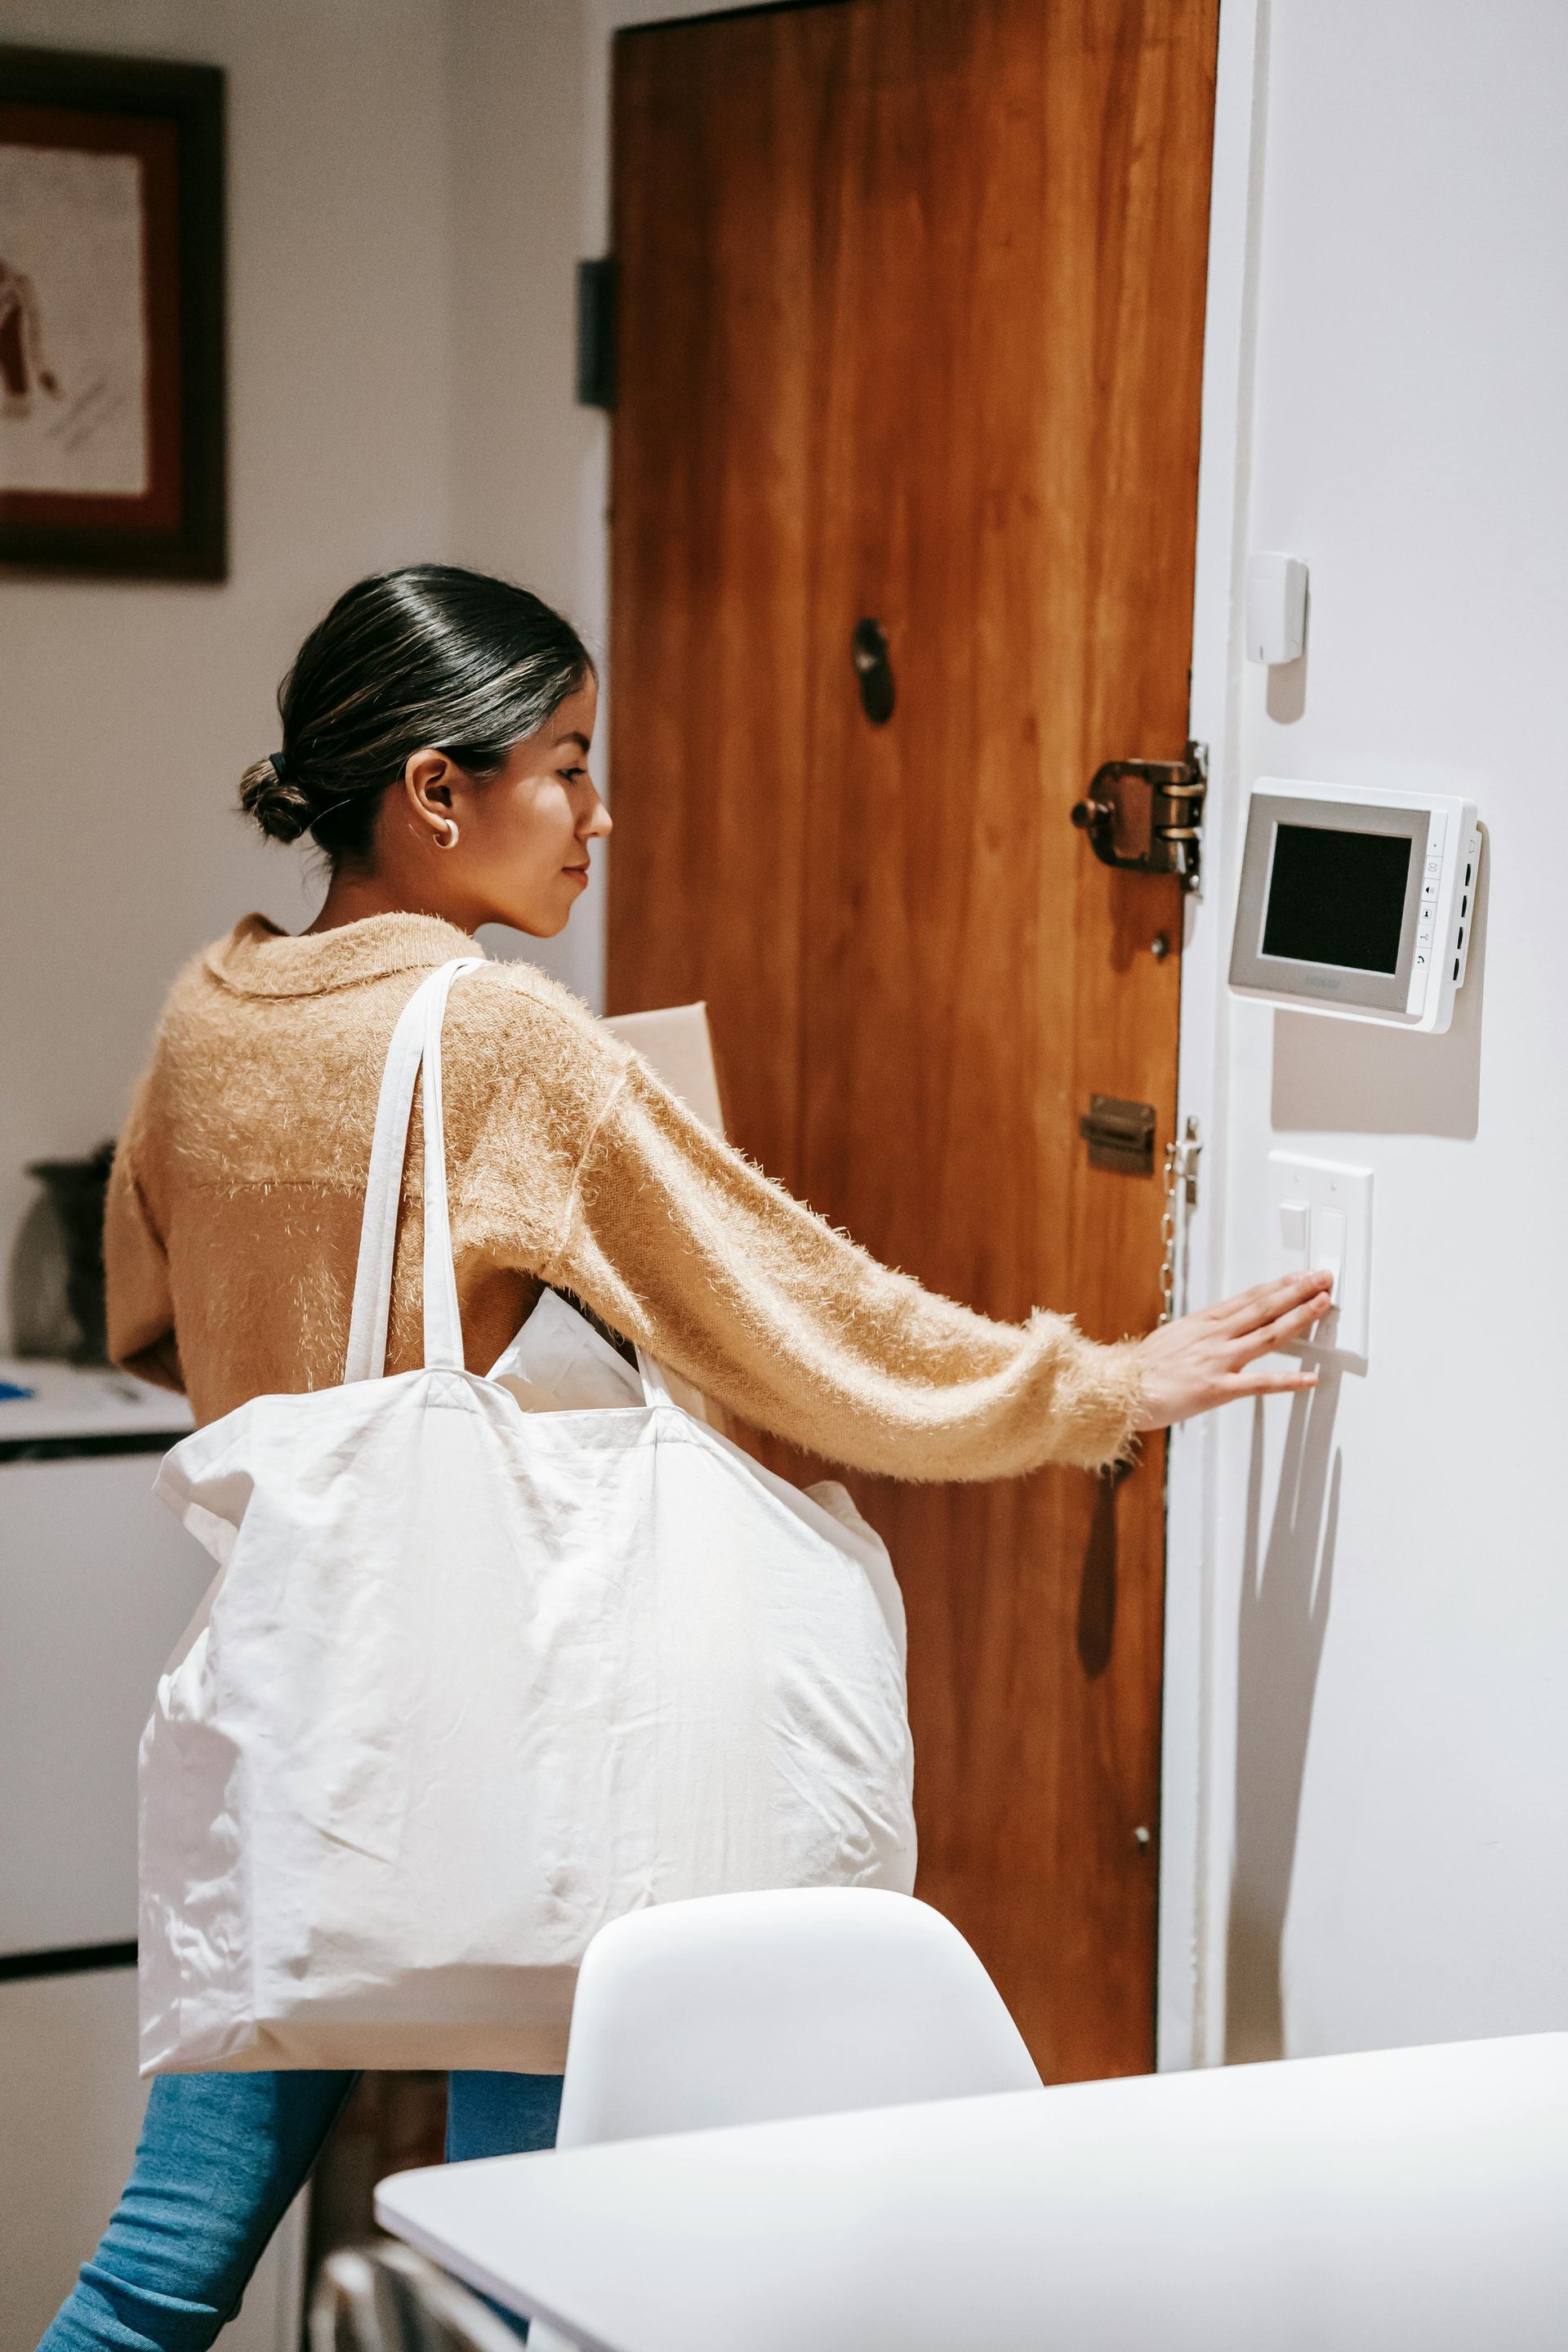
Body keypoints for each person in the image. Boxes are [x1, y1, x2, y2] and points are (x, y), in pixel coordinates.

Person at [42, 565, 1330, 2350]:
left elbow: (148, 1324)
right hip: (512, 1747)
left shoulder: (213, 1014)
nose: (600, 814)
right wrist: (1094, 1382)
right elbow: (800, 1316)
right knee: (531, 2279)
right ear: (436, 792)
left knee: (156, 2276)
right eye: (566, 765)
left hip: (303, 1724)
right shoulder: (499, 1038)